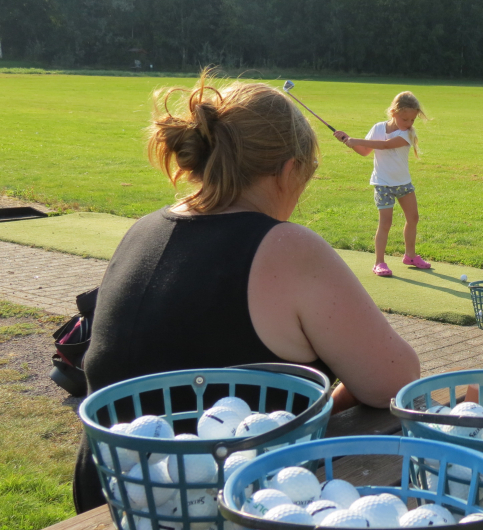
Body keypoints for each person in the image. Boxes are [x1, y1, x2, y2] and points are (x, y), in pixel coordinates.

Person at [72, 71, 421, 513]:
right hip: (206, 505)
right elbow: (397, 380)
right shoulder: (287, 247)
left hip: (107, 490)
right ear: (287, 171)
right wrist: (319, 410)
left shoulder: (142, 228)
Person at [332, 91, 429, 277]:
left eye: (412, 120)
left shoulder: (406, 134)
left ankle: (410, 255)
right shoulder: (377, 128)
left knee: (413, 218)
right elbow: (365, 151)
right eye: (405, 119)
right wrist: (348, 141)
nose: (409, 124)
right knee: (385, 223)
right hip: (382, 183)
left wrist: (356, 140)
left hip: (403, 183)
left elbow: (385, 145)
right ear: (393, 112)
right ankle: (379, 262)